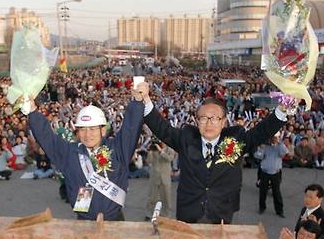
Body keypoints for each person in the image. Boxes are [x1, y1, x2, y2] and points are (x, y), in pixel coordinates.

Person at [142, 85, 286, 224]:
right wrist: (145, 99)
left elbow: (262, 131)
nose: (209, 123)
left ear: (223, 122)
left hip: (222, 212)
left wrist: (283, 108)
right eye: (203, 118)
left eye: (215, 118)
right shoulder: (186, 139)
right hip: (189, 211)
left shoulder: (234, 142)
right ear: (197, 121)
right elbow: (162, 128)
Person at [25, 87, 144, 221]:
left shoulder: (117, 149)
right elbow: (48, 139)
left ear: (103, 130)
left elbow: (130, 129)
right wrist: (33, 112)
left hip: (115, 221)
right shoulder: (70, 153)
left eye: (93, 129)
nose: (88, 135)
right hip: (83, 221)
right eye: (83, 129)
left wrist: (138, 102)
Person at [256, 134, 289, 218]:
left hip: (276, 172)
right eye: (272, 137)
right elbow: (258, 156)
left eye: (275, 137)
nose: (273, 139)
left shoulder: (280, 146)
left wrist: (279, 143)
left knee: (276, 192)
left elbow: (284, 153)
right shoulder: (265, 146)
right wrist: (262, 148)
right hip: (264, 172)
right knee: (263, 191)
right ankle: (262, 207)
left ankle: (279, 211)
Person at [146, 140, 174, 218]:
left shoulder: (170, 149)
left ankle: (167, 214)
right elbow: (149, 161)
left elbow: (169, 159)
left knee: (166, 197)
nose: (160, 141)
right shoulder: (154, 149)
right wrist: (150, 153)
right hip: (154, 176)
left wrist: (161, 151)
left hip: (165, 176)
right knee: (152, 196)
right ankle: (149, 214)